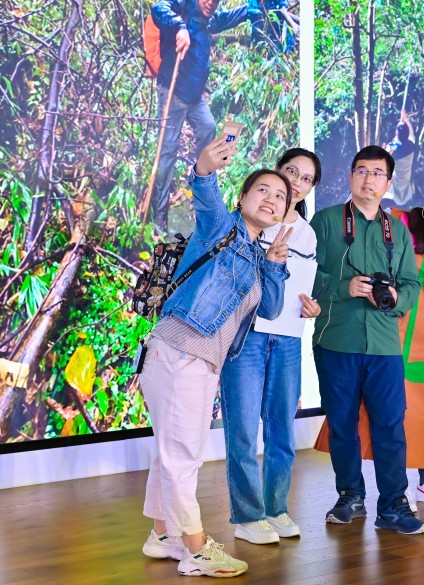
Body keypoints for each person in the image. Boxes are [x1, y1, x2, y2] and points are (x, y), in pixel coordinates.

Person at [139, 134, 292, 578]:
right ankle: (196, 548)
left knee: (170, 452)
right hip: (179, 350)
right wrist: (204, 167)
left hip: (201, 361)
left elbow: (271, 309)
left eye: (280, 196)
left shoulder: (259, 258)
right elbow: (205, 190)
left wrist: (275, 264)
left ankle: (162, 536)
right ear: (242, 197)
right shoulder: (220, 228)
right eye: (262, 189)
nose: (271, 199)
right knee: (183, 455)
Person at [310, 145, 424, 535]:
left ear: (388, 183)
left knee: (390, 424)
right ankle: (350, 497)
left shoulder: (398, 230)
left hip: (384, 344)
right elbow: (306, 274)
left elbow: (411, 284)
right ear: (350, 176)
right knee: (342, 423)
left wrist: (395, 298)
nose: (368, 179)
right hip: (336, 339)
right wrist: (344, 287)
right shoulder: (326, 221)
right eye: (361, 170)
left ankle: (393, 505)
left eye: (377, 173)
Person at [220, 148, 322, 545]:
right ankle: (248, 516)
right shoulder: (251, 222)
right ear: (276, 173)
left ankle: (276, 509)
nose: (296, 183)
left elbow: (303, 287)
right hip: (246, 336)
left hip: (288, 338)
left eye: (306, 179)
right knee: (244, 431)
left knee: (281, 430)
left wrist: (312, 307)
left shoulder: (308, 234)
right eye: (290, 172)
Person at [150, 0, 255, 235]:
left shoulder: (209, 20)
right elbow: (157, 8)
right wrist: (180, 27)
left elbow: (230, 17)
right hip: (172, 94)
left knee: (208, 127)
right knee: (167, 152)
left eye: (215, 1)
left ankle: (199, 187)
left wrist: (253, 9)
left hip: (194, 97)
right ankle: (159, 217)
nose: (211, 4)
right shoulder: (182, 8)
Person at [385, 111, 417, 207]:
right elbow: (411, 132)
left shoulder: (392, 150)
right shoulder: (411, 146)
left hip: (396, 187)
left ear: (396, 133)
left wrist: (394, 141)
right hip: (405, 184)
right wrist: (406, 119)